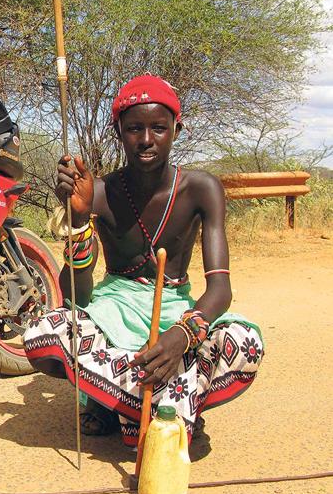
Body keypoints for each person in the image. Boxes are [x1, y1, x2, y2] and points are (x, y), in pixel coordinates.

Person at [23, 74, 263, 446]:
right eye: (135, 128)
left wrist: (183, 335)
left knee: (244, 341)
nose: (147, 140)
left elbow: (220, 288)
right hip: (112, 310)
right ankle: (165, 409)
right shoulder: (100, 191)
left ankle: (125, 403)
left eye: (158, 128)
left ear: (177, 130)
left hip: (176, 313)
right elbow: (78, 293)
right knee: (44, 334)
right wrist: (79, 220)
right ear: (118, 130)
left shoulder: (202, 189)